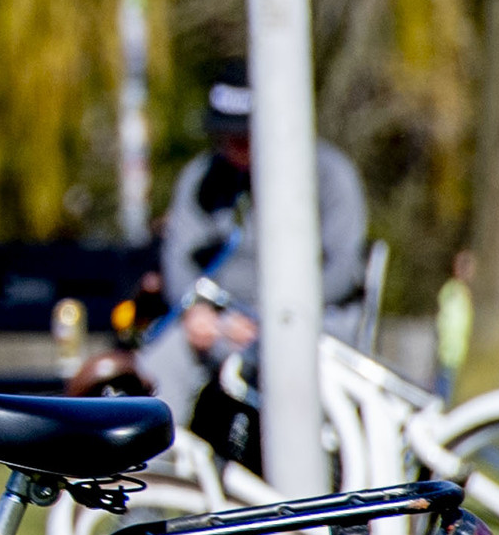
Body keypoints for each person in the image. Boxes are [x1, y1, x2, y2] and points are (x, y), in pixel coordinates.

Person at [150, 62, 372, 425]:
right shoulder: (203, 177)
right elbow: (179, 259)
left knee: (281, 356)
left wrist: (267, 317)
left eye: (246, 135)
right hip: (220, 326)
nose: (235, 147)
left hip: (306, 324)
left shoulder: (329, 174)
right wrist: (196, 312)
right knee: (163, 360)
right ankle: (161, 473)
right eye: (226, 136)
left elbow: (343, 270)